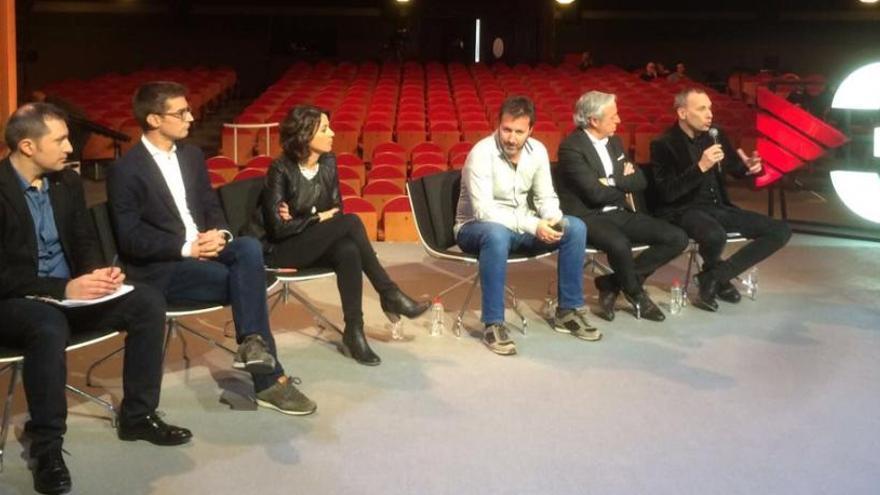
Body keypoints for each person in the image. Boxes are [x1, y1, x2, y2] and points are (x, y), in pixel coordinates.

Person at [0, 103, 191, 495]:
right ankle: (47, 446)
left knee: (147, 301)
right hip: (14, 300)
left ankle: (138, 415)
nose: (71, 147)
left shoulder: (66, 183)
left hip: (69, 294)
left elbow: (84, 239)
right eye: (60, 140)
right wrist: (62, 290)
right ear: (27, 146)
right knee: (47, 324)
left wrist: (97, 274)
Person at [107, 82, 316, 416]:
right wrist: (186, 248)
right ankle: (270, 381)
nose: (191, 117)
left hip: (207, 249)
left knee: (246, 246)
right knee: (248, 281)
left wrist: (220, 234)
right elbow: (130, 238)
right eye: (181, 112)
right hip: (165, 266)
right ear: (153, 120)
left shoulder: (190, 155)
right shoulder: (125, 170)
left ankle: (251, 344)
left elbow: (210, 204)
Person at [246, 105, 429, 366]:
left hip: (311, 241)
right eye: (324, 129)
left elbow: (337, 211)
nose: (332, 133)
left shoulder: (329, 163)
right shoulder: (281, 169)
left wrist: (302, 217)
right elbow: (278, 229)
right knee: (353, 222)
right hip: (281, 251)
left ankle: (354, 331)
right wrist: (317, 217)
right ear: (305, 134)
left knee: (348, 249)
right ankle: (389, 293)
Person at [455, 96, 598, 356]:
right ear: (498, 125)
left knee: (574, 227)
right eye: (506, 129)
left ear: (530, 130)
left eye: (519, 132)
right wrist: (534, 225)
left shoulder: (538, 151)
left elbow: (545, 197)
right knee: (497, 234)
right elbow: (484, 211)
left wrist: (552, 218)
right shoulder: (481, 153)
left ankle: (567, 310)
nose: (511, 138)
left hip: (521, 226)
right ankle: (493, 323)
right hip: (476, 227)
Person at [649, 88, 792, 311]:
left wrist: (751, 169)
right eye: (702, 108)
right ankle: (718, 279)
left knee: (780, 231)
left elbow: (737, 170)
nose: (710, 114)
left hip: (718, 207)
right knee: (714, 235)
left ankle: (715, 276)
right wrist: (701, 167)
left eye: (710, 108)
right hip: (684, 209)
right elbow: (667, 192)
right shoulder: (663, 144)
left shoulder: (715, 135)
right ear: (683, 113)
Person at [556, 92, 688, 322]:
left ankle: (612, 282)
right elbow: (594, 194)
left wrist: (611, 181)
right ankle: (636, 293)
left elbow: (639, 181)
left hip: (618, 211)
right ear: (594, 120)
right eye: (613, 116)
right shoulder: (571, 147)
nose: (618, 120)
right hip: (588, 215)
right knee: (619, 244)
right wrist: (620, 183)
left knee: (676, 237)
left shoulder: (615, 142)